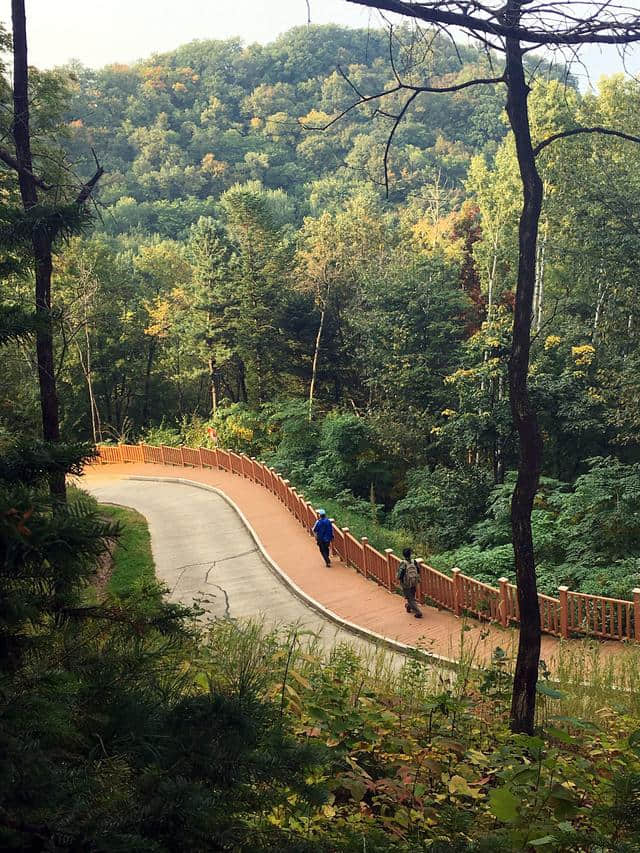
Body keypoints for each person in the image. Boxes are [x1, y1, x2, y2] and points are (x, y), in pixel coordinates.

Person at [396, 547, 423, 618]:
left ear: (403, 555)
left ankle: (418, 612)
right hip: (414, 581)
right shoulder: (414, 561)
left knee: (410, 598)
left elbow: (400, 575)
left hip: (406, 583)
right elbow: (418, 571)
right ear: (410, 554)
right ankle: (408, 606)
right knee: (412, 596)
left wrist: (399, 580)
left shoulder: (403, 563)